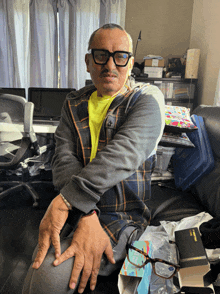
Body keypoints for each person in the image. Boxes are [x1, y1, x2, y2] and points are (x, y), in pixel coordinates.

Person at [22, 23, 165, 294]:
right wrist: (86, 212)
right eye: (101, 55)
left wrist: (67, 200)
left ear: (130, 63)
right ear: (88, 62)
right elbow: (64, 157)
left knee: (45, 282)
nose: (110, 65)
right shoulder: (73, 103)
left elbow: (123, 154)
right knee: (39, 273)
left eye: (120, 56)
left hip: (122, 218)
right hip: (78, 210)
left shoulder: (146, 101)